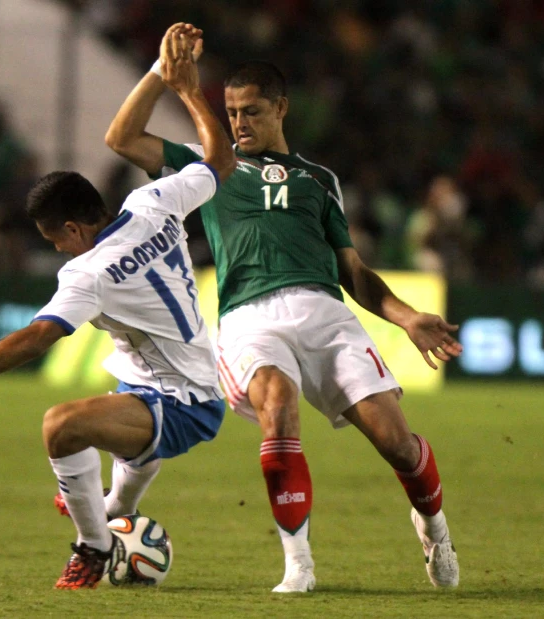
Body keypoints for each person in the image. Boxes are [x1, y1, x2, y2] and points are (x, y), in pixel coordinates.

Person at [106, 25, 463, 593]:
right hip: (250, 319)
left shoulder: (320, 181)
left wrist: (406, 316)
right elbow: (122, 137)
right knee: (278, 402)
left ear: (281, 109)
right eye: (230, 111)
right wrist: (161, 73)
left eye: (250, 111)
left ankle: (434, 528)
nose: (239, 122)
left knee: (396, 441)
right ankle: (299, 565)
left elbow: (353, 272)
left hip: (325, 314)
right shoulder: (206, 167)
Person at [0, 25, 236, 590]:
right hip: (172, 381)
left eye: (54, 239)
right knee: (115, 428)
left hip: (183, 401)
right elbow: (219, 162)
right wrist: (177, 84)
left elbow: (34, 337)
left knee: (61, 426)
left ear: (73, 228)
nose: (56, 249)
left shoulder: (88, 272)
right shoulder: (154, 201)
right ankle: (109, 508)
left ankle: (92, 548)